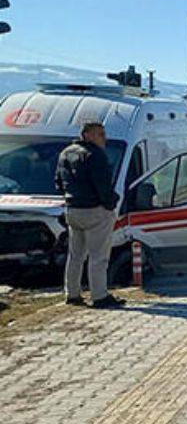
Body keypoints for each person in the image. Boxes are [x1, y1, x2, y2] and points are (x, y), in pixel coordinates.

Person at [55, 122, 122, 308]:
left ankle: (72, 293)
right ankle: (99, 295)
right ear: (87, 135)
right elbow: (103, 185)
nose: (104, 138)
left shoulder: (65, 153)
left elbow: (58, 182)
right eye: (100, 134)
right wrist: (110, 204)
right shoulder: (95, 155)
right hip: (94, 209)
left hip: (72, 209)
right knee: (98, 256)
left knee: (75, 255)